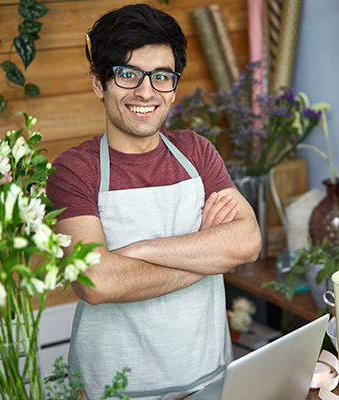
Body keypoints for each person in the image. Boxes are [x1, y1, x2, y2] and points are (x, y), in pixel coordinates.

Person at [46, 4, 262, 400]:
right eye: (129, 74)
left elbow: (246, 241)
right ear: (99, 82)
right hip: (112, 389)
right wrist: (208, 252)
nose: (146, 92)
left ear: (174, 86)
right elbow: (95, 281)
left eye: (161, 77)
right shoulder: (74, 171)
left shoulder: (197, 152)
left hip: (208, 380)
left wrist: (139, 252)